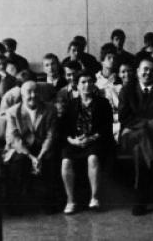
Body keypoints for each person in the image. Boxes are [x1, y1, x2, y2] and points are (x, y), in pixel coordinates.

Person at [118, 57, 153, 216]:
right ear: (137, 72)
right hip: (130, 136)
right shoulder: (127, 90)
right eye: (145, 69)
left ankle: (140, 200)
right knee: (141, 135)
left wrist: (144, 122)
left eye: (151, 70)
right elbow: (124, 118)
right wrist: (147, 122)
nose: (147, 73)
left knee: (139, 151)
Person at [60, 71, 114, 214]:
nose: (87, 85)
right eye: (83, 82)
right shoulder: (71, 104)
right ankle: (70, 201)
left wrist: (90, 138)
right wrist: (73, 141)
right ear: (77, 85)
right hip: (75, 141)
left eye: (90, 81)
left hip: (96, 140)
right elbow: (64, 129)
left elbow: (106, 127)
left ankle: (94, 198)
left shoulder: (103, 103)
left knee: (93, 158)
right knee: (66, 161)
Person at [4, 80, 59, 213]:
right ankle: (17, 205)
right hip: (22, 148)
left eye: (36, 92)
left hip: (43, 147)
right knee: (18, 162)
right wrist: (31, 157)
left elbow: (51, 136)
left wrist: (40, 156)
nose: (33, 95)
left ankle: (49, 204)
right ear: (22, 95)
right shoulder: (12, 112)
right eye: (29, 92)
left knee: (51, 159)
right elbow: (14, 138)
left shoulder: (50, 109)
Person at [95, 44, 120, 111]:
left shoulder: (119, 80)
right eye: (109, 57)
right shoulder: (95, 80)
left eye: (114, 58)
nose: (112, 60)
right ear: (102, 61)